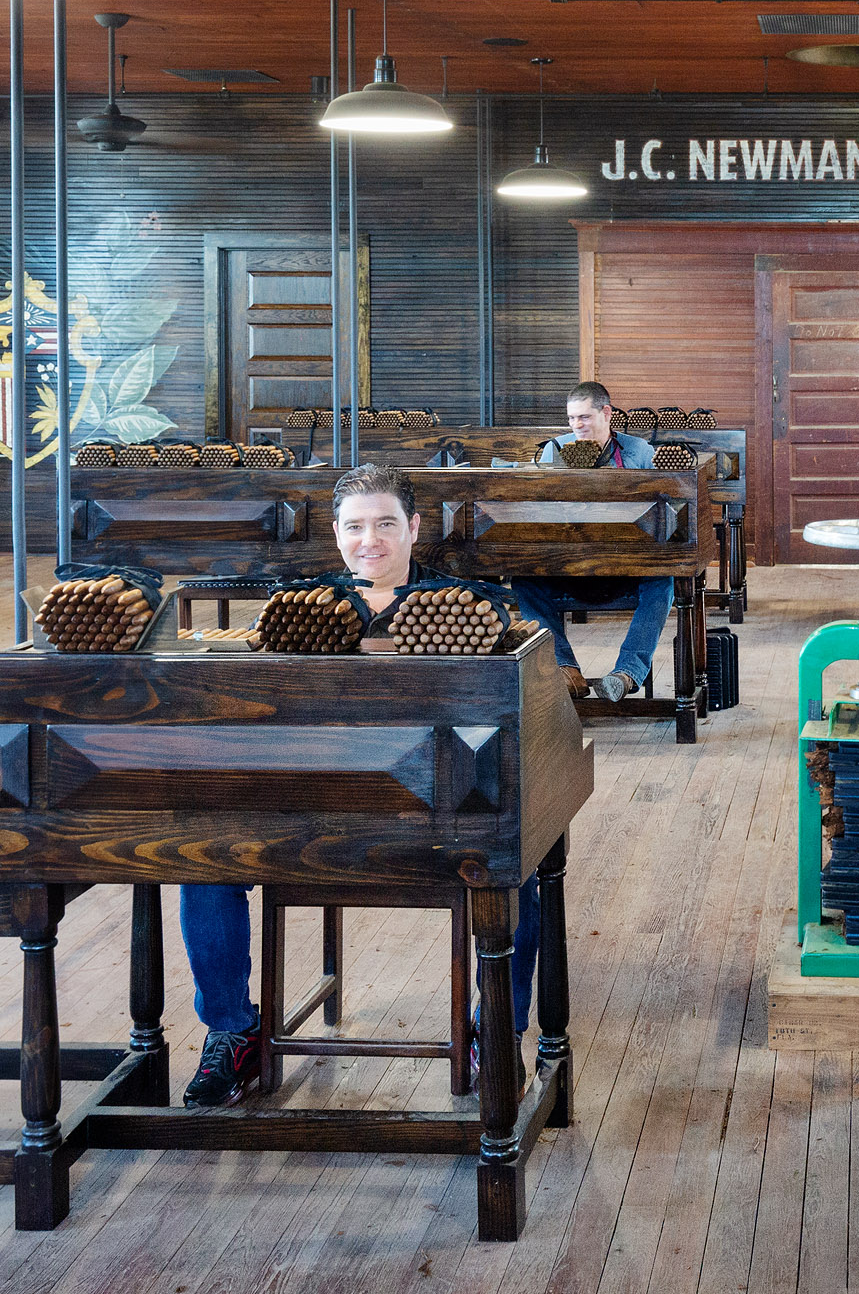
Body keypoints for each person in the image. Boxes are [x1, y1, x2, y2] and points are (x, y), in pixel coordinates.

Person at [180, 463, 543, 1106]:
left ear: (415, 528)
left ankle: (495, 1030)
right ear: (336, 533)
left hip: (434, 805)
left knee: (523, 862)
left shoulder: (470, 606)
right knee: (202, 859)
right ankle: (233, 1032)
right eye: (354, 527)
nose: (368, 540)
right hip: (318, 796)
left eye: (385, 524)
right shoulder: (300, 607)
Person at [514, 381, 673, 703]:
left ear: (606, 413)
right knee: (523, 580)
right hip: (568, 568)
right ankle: (565, 668)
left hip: (625, 567)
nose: (577, 426)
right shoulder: (554, 450)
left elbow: (663, 508)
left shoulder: (639, 452)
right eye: (572, 419)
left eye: (584, 417)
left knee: (664, 579)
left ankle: (627, 673)